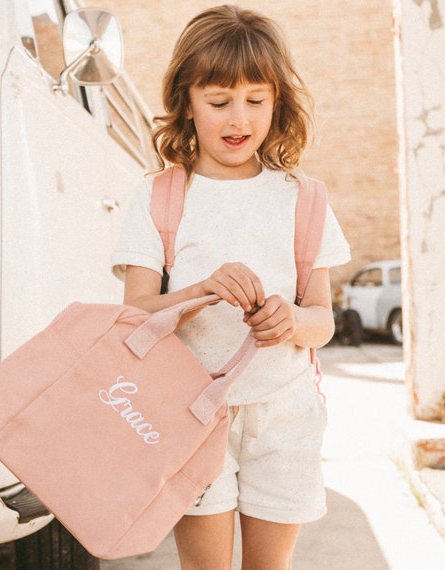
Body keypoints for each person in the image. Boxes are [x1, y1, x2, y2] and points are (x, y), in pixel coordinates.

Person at [111, 5, 350, 568]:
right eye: (219, 102)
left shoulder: (304, 199)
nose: (238, 118)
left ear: (277, 103)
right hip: (189, 418)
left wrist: (290, 320)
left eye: (256, 100)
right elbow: (133, 317)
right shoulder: (159, 197)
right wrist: (200, 292)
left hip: (284, 417)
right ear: (187, 103)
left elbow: (323, 319)